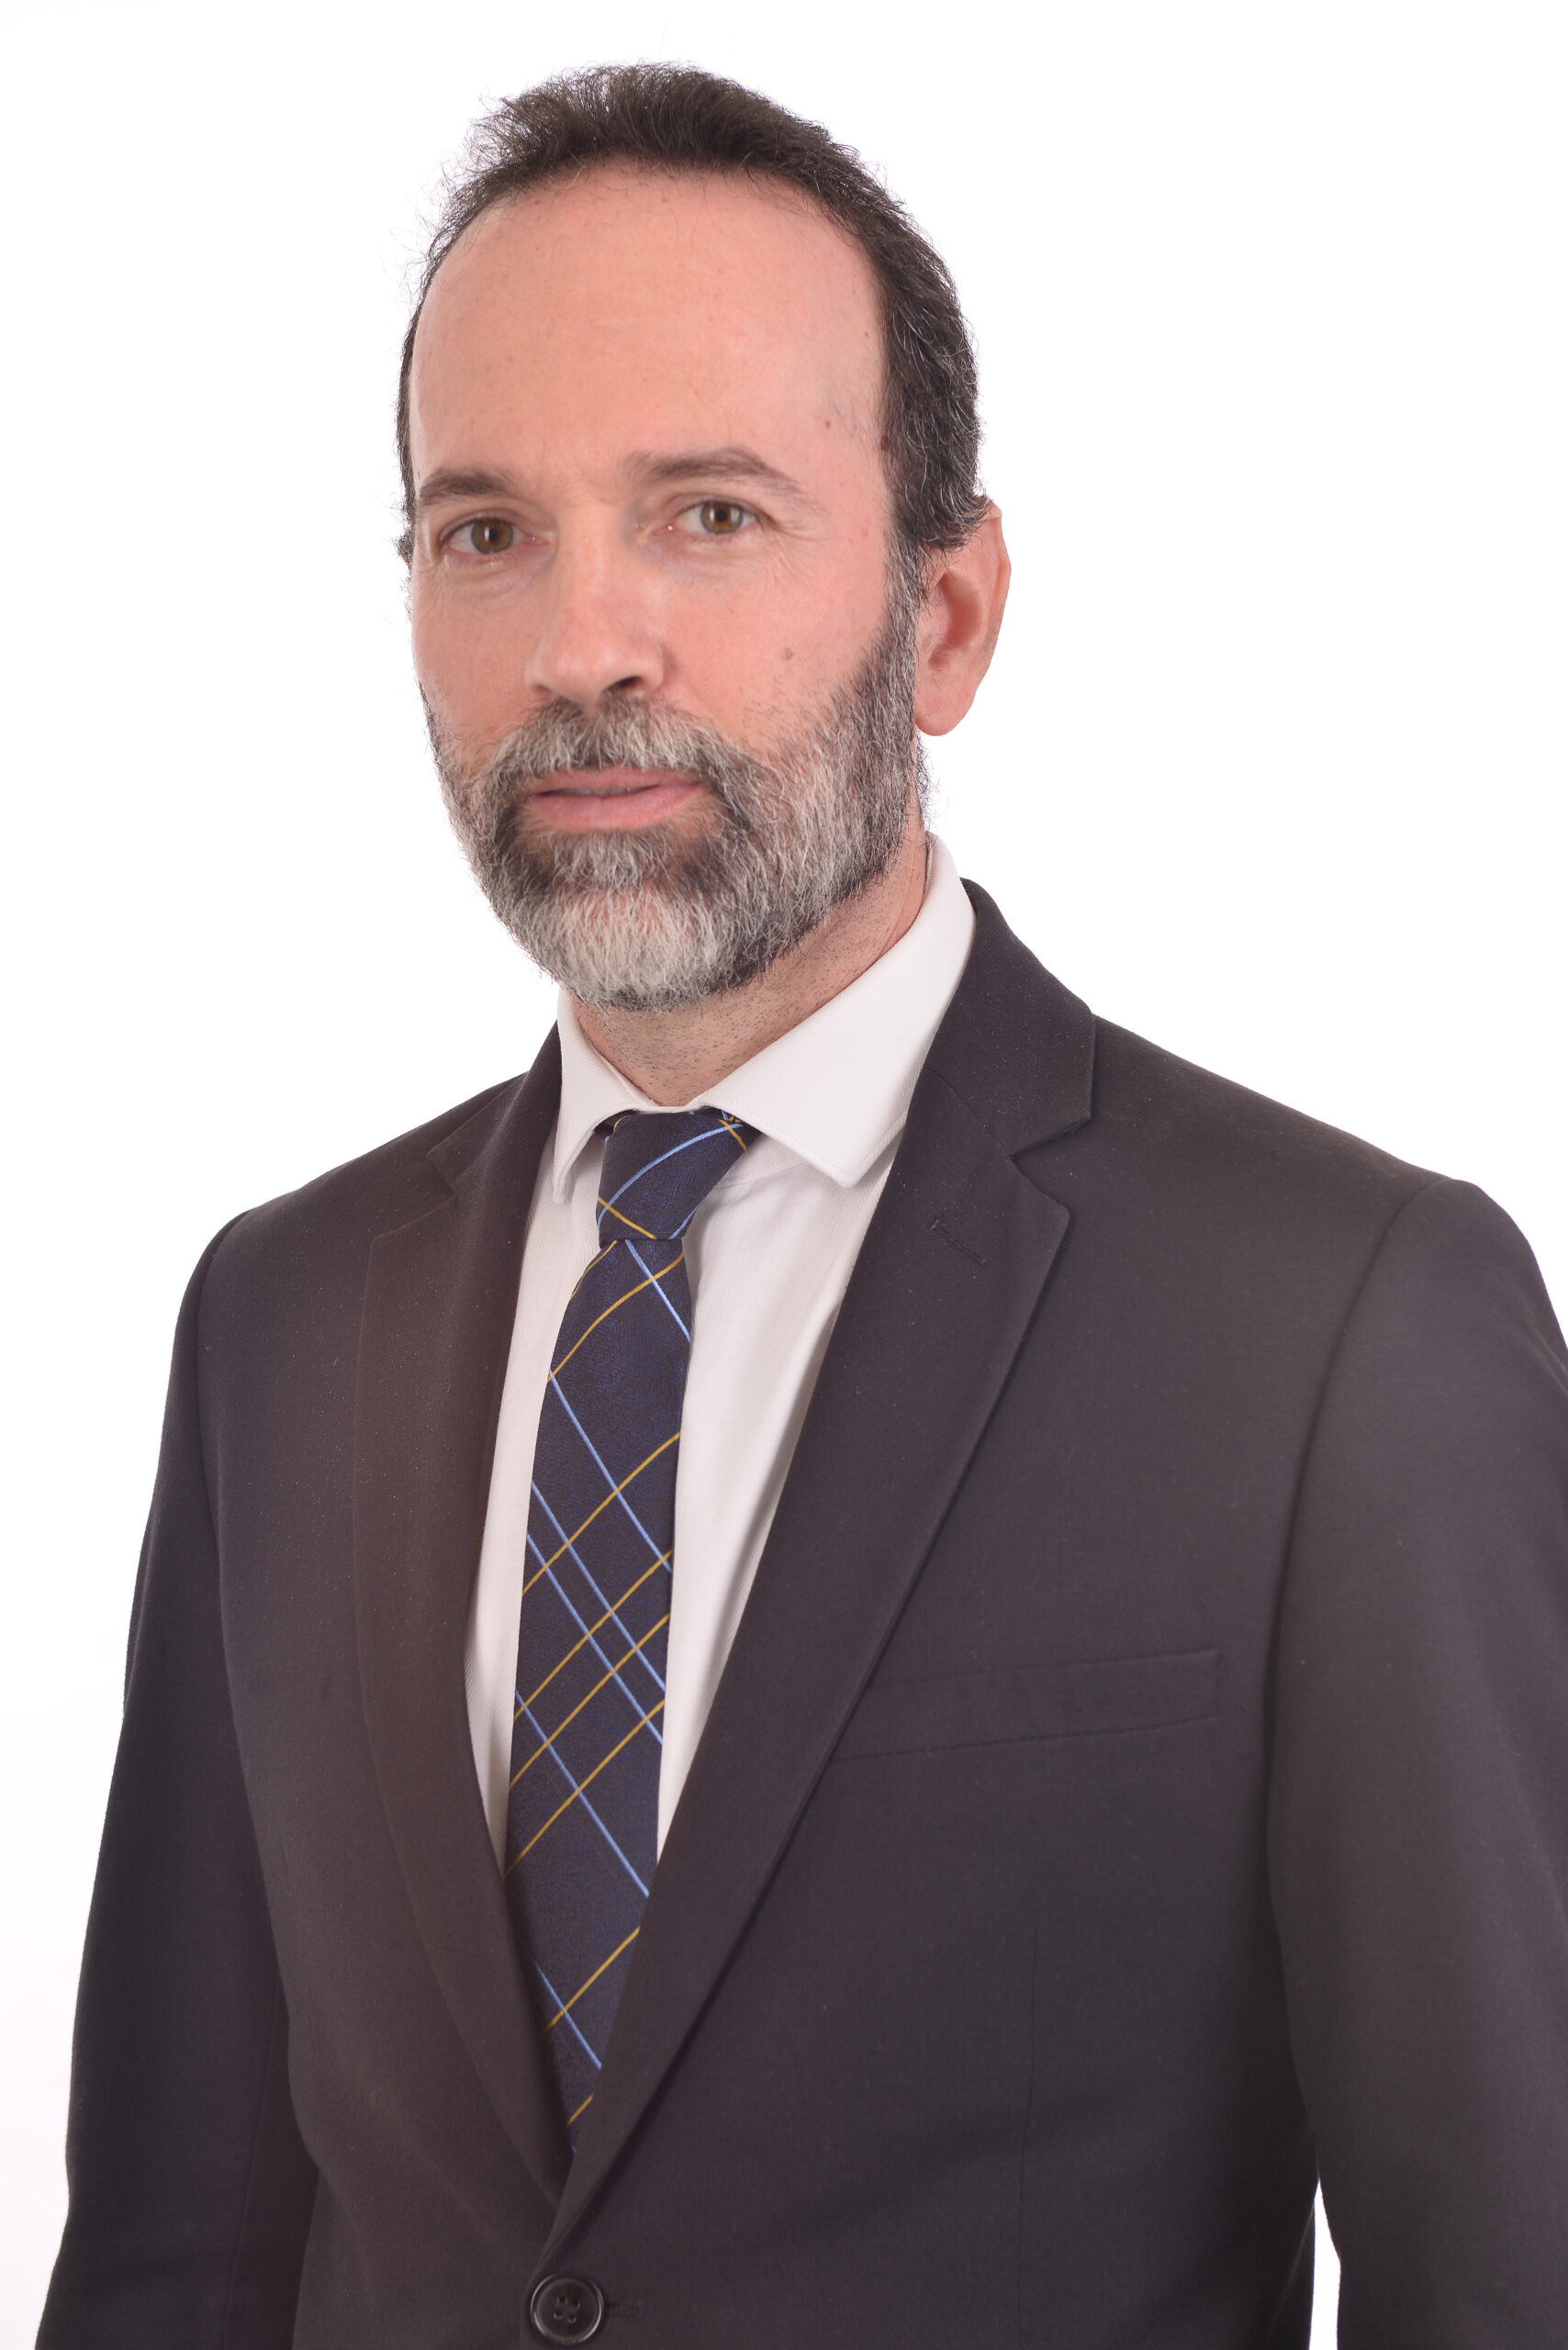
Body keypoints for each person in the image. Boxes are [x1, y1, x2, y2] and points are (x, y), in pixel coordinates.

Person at [39, 62, 1568, 2350]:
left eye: (708, 513)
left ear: (943, 615)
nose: (580, 645)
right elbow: (174, 2251)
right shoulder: (278, 1317)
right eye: (485, 530)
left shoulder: (1338, 1325)